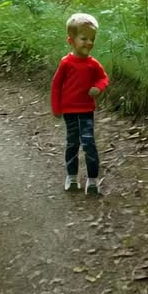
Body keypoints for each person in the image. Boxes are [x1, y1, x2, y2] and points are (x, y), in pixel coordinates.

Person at [51, 13, 109, 195]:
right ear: (71, 40)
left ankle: (92, 180)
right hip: (69, 110)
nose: (89, 43)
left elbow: (103, 78)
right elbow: (56, 85)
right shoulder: (66, 63)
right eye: (84, 39)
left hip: (86, 110)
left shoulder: (93, 64)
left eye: (92, 39)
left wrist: (98, 88)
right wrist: (56, 107)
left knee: (89, 143)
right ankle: (72, 176)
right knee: (72, 143)